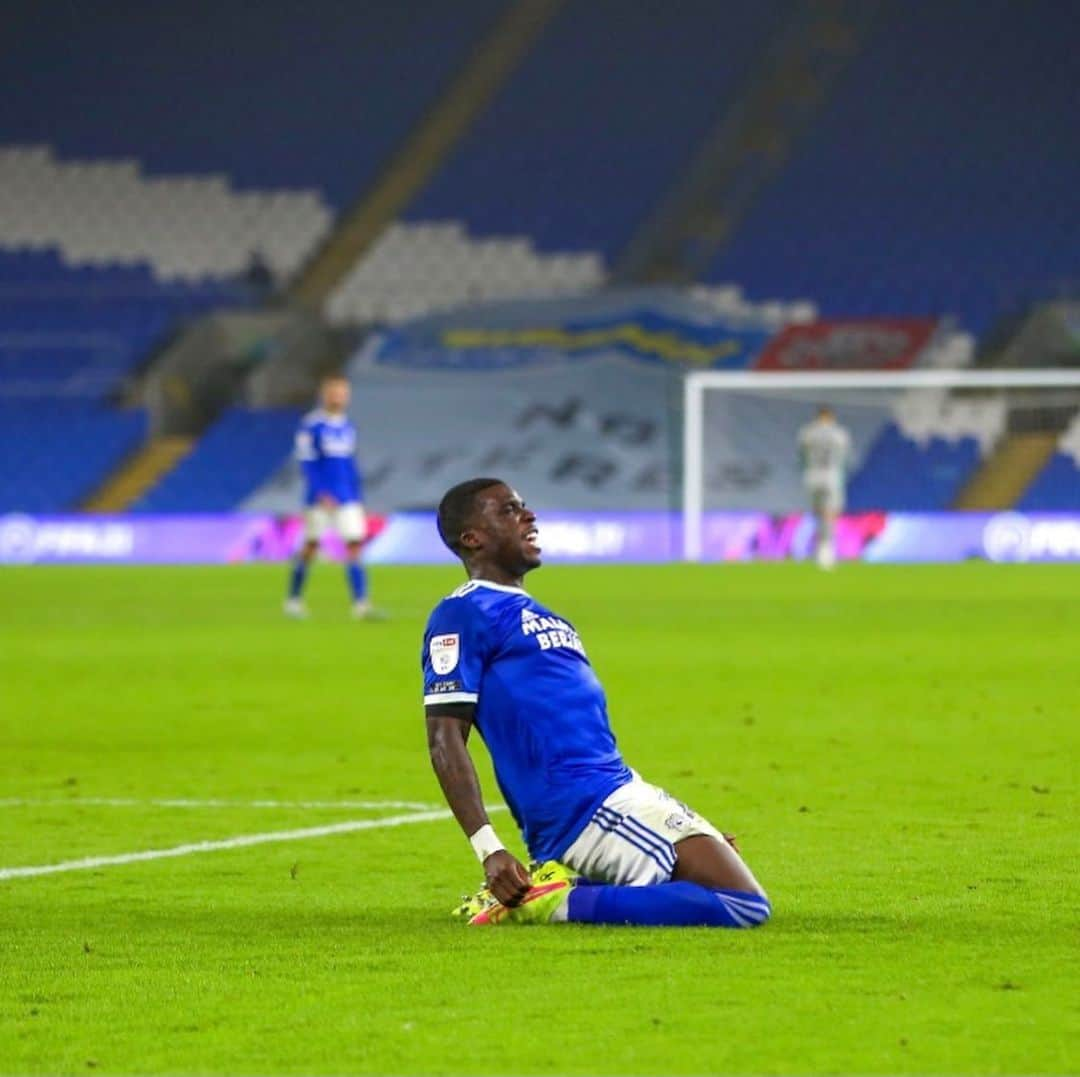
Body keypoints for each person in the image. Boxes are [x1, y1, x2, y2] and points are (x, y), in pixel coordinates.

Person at [422, 477, 770, 927]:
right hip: (582, 807)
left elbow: (581, 730)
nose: (528, 516)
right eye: (508, 510)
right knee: (741, 904)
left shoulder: (545, 616)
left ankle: (548, 885)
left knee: (712, 871)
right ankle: (551, 903)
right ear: (472, 538)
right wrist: (489, 849)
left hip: (617, 789)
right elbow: (444, 737)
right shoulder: (463, 613)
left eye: (524, 506)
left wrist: (690, 833)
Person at [284, 374, 373, 618]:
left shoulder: (347, 426)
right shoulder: (312, 425)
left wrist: (356, 496)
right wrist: (321, 491)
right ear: (325, 394)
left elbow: (350, 464)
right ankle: (293, 599)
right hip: (319, 498)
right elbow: (307, 463)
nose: (340, 397)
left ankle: (361, 604)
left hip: (347, 496)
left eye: (343, 393)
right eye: (335, 392)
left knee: (354, 545)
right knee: (311, 546)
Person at [798, 405, 852, 570]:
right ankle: (826, 549)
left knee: (818, 513)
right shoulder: (840, 434)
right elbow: (844, 456)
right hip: (831, 476)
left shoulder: (807, 432)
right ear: (831, 416)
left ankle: (819, 547)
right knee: (830, 513)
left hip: (812, 476)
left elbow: (802, 455)